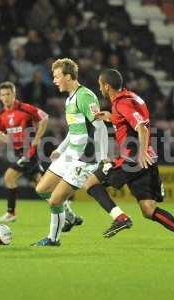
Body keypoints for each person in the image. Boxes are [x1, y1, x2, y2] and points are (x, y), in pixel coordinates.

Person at [85, 69, 174, 255]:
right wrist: (108, 117)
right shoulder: (131, 98)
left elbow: (141, 128)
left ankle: (121, 218)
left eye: (100, 85)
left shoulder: (122, 103)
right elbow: (131, 120)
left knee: (90, 183)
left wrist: (140, 151)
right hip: (147, 160)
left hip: (133, 158)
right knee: (148, 209)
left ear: (107, 86)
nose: (100, 89)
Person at [31, 58, 111, 246]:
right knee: (41, 189)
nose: (54, 80)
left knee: (54, 201)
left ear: (68, 76)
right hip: (70, 154)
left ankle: (53, 239)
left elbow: (100, 127)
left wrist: (103, 158)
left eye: (57, 76)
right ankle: (70, 217)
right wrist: (60, 149)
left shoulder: (85, 96)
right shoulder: (69, 99)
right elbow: (75, 130)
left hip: (84, 157)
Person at [0, 81, 48, 223]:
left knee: (9, 177)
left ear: (14, 94)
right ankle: (66, 209)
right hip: (19, 153)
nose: (5, 97)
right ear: (0, 97)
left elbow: (44, 117)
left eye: (8, 94)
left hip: (29, 151)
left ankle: (11, 213)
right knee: (40, 184)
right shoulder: (2, 115)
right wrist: (6, 138)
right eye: (2, 95)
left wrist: (37, 139)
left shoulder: (25, 108)